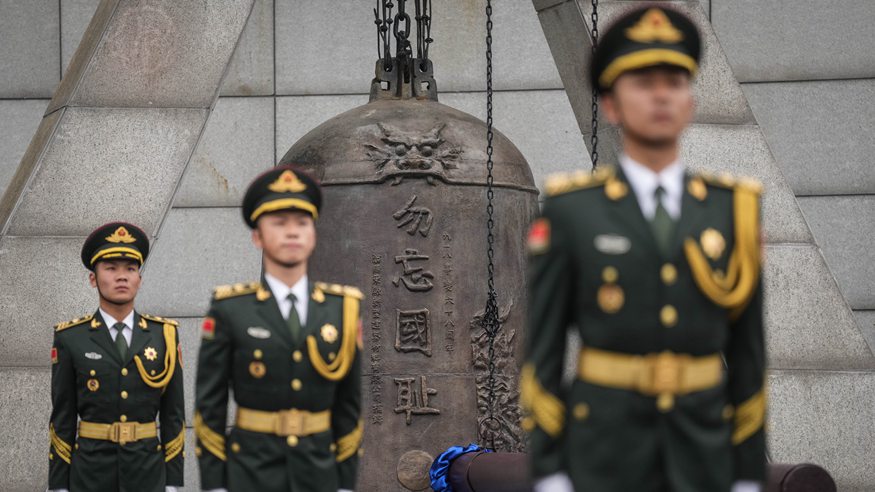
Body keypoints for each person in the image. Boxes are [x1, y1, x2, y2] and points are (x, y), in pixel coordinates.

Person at [521, 6, 766, 492]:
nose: (660, 95)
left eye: (674, 82)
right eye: (642, 82)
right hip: (603, 450)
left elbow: (749, 360)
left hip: (704, 452)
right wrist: (549, 473)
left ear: (690, 102)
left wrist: (748, 474)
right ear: (611, 105)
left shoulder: (732, 210)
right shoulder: (571, 212)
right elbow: (542, 355)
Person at [195, 165, 363, 492]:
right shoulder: (231, 309)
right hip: (250, 472)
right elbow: (209, 407)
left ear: (313, 235)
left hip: (319, 471)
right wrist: (214, 485)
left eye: (302, 223)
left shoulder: (342, 308)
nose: (292, 232)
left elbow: (349, 408)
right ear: (257, 236)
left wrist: (345, 483)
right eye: (279, 223)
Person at [48, 222, 185, 492]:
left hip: (148, 475)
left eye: (130, 269)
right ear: (93, 279)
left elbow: (173, 416)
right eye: (111, 268)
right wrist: (58, 485)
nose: (122, 277)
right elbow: (62, 419)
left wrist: (173, 482)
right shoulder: (71, 338)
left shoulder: (164, 335)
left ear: (139, 279)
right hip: (89, 475)